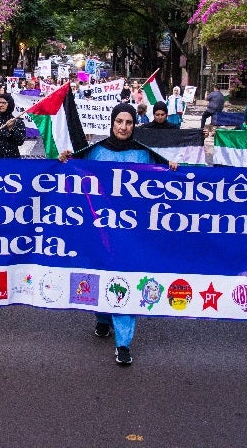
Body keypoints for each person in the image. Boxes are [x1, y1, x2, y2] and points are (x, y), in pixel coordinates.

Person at [59, 103, 178, 366]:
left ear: (135, 125)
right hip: (100, 230)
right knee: (99, 274)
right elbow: (74, 171)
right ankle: (102, 317)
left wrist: (171, 168)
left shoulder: (144, 154)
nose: (123, 127)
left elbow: (163, 179)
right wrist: (66, 159)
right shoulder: (96, 151)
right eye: (119, 122)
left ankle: (123, 342)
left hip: (131, 233)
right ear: (112, 123)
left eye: (129, 122)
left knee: (126, 277)